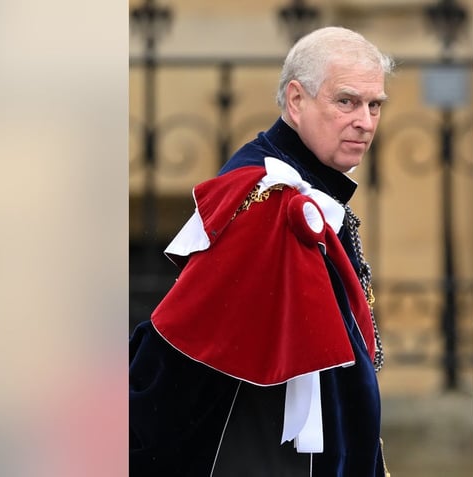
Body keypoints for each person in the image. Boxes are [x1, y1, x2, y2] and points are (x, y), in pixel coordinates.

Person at [130, 26, 394, 476]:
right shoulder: (269, 196)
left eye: (374, 106)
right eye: (346, 101)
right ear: (296, 101)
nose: (365, 121)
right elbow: (182, 351)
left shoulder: (314, 188)